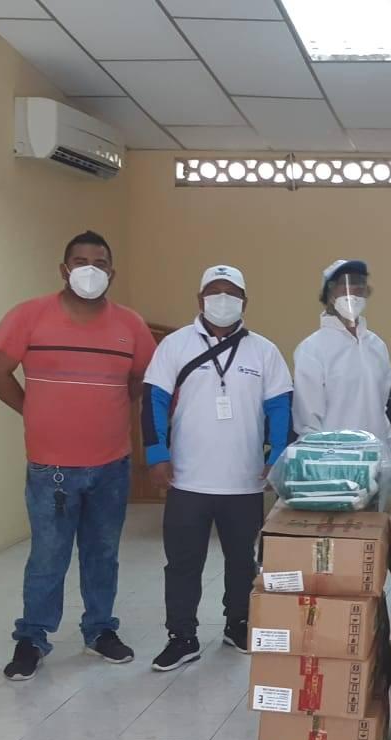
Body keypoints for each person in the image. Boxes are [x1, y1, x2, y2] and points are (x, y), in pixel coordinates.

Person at [0, 230, 157, 681]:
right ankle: (32, 637)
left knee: (102, 554)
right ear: (64, 270)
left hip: (111, 464)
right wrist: (31, 409)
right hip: (51, 468)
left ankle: (100, 630)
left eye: (100, 263)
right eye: (80, 262)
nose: (90, 270)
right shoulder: (29, 316)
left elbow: (143, 380)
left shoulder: (131, 325)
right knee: (48, 556)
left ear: (112, 272)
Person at [142, 265, 293, 671]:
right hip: (187, 479)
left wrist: (277, 456)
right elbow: (153, 399)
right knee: (183, 562)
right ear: (199, 299)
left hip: (244, 481)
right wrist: (156, 454)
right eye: (214, 291)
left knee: (242, 560)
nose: (223, 299)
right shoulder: (174, 345)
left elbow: (280, 407)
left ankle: (238, 624)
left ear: (245, 302)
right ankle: (181, 636)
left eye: (232, 293)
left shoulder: (264, 351)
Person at [293, 259, 391, 450]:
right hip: (334, 458)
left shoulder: (377, 346)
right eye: (346, 285)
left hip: (377, 455)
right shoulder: (312, 349)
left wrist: (387, 449)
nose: (354, 291)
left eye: (360, 284)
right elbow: (308, 422)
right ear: (329, 294)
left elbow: (381, 408)